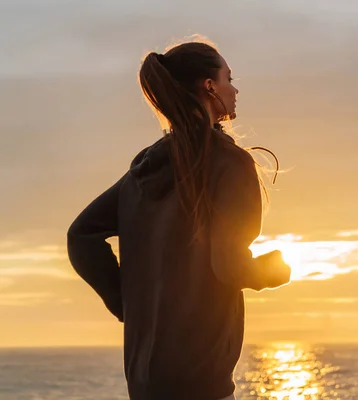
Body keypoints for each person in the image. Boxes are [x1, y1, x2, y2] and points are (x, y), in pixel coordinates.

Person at [66, 39, 292, 400]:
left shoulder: (143, 169)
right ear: (209, 86)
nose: (235, 89)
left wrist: (129, 306)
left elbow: (81, 236)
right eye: (228, 78)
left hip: (144, 383)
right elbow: (229, 265)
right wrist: (274, 271)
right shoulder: (229, 164)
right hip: (202, 383)